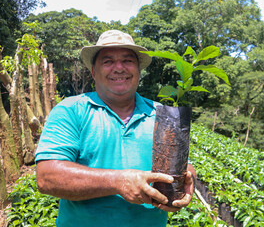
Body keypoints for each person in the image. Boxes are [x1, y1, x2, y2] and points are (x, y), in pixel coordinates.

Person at [35, 30, 196, 227]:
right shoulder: (70, 110)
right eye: (108, 61)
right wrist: (118, 182)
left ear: (138, 70)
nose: (119, 68)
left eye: (128, 61)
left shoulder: (164, 115)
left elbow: (185, 166)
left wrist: (188, 181)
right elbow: (47, 177)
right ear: (94, 71)